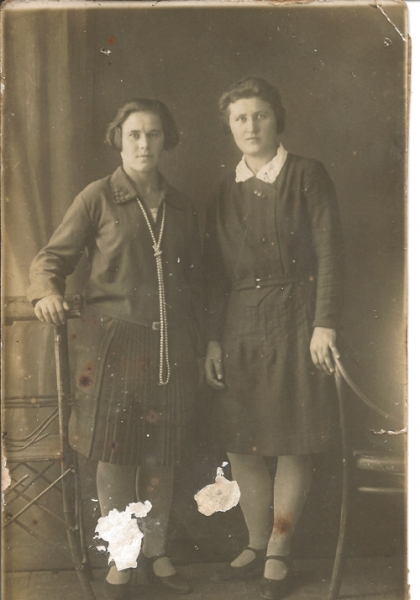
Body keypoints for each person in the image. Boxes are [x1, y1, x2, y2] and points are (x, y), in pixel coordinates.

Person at [28, 98, 202, 599]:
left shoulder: (182, 205)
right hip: (114, 344)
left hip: (171, 344)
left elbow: (200, 280)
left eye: (153, 134)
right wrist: (46, 293)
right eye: (134, 135)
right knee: (115, 455)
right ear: (119, 141)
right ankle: (122, 557)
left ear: (167, 140)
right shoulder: (98, 197)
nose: (144, 144)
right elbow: (50, 258)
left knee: (163, 456)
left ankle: (157, 552)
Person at [203, 77, 345, 600]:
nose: (251, 126)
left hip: (297, 316)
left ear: (276, 119)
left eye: (259, 115)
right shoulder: (224, 191)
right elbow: (213, 276)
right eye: (240, 118)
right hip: (240, 321)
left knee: (293, 437)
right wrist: (214, 341)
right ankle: (257, 541)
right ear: (229, 127)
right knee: (241, 438)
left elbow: (330, 252)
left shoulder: (307, 174)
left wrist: (324, 323)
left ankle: (280, 551)